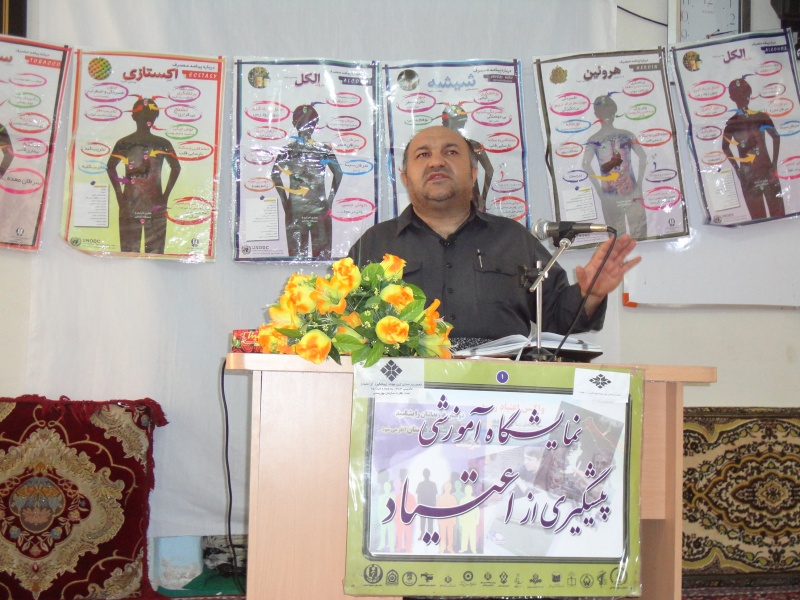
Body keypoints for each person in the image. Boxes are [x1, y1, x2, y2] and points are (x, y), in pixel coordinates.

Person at [348, 125, 640, 346]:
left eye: (451, 152)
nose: (436, 162)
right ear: (405, 177)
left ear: (473, 173)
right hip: (403, 390)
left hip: (501, 387)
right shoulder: (375, 244)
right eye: (423, 155)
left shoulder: (513, 239)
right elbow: (347, 326)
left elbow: (557, 320)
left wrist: (590, 294)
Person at [106, 97, 181, 254]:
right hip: (149, 201)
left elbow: (111, 167)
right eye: (145, 115)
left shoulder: (125, 142)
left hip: (132, 201)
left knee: (131, 252)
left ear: (133, 116)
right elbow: (176, 168)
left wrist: (120, 197)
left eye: (148, 115)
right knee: (149, 253)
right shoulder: (161, 143)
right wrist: (165, 196)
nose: (147, 119)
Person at [271, 104, 343, 259]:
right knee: (320, 259)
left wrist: (286, 203)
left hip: (297, 208)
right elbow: (338, 174)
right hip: (317, 207)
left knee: (298, 259)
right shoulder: (322, 149)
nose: (306, 128)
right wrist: (329, 200)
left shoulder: (289, 151)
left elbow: (275, 175)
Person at [582, 95, 649, 240]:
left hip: (622, 192)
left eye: (609, 108)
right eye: (604, 108)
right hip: (617, 193)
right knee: (621, 238)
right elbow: (643, 157)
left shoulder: (596, 139)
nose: (607, 112)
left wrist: (639, 184)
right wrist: (639, 184)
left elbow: (586, 165)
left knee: (632, 236)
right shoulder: (624, 135)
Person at [721, 78, 784, 221]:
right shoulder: (731, 124)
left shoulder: (761, 117)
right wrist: (738, 170)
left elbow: (776, 137)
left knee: (778, 216)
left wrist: (774, 164)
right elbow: (725, 147)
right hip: (748, 175)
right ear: (732, 97)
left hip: (765, 170)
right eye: (739, 94)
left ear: (749, 94)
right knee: (758, 218)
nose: (744, 97)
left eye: (745, 93)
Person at [441, 104, 494, 212]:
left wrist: (483, 197)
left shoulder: (437, 148)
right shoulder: (474, 145)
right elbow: (489, 170)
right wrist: (483, 197)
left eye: (445, 121)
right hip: (471, 199)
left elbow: (489, 170)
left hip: (452, 200)